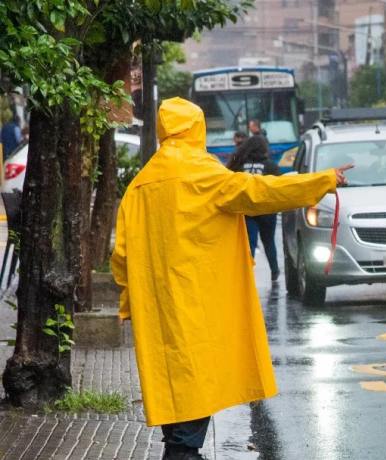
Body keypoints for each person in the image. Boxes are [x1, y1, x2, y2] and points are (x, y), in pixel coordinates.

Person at [111, 97, 351, 460]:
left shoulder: (140, 186)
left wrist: (131, 304)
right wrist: (323, 181)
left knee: (175, 392)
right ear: (198, 129)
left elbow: (121, 256)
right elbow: (261, 193)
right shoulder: (204, 176)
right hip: (200, 304)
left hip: (157, 309)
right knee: (194, 396)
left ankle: (180, 448)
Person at [226, 135, 282, 280]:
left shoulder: (239, 165)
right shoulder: (271, 166)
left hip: (247, 209)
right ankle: (274, 271)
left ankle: (247, 273)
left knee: (249, 242)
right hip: (267, 210)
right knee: (269, 241)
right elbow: (280, 187)